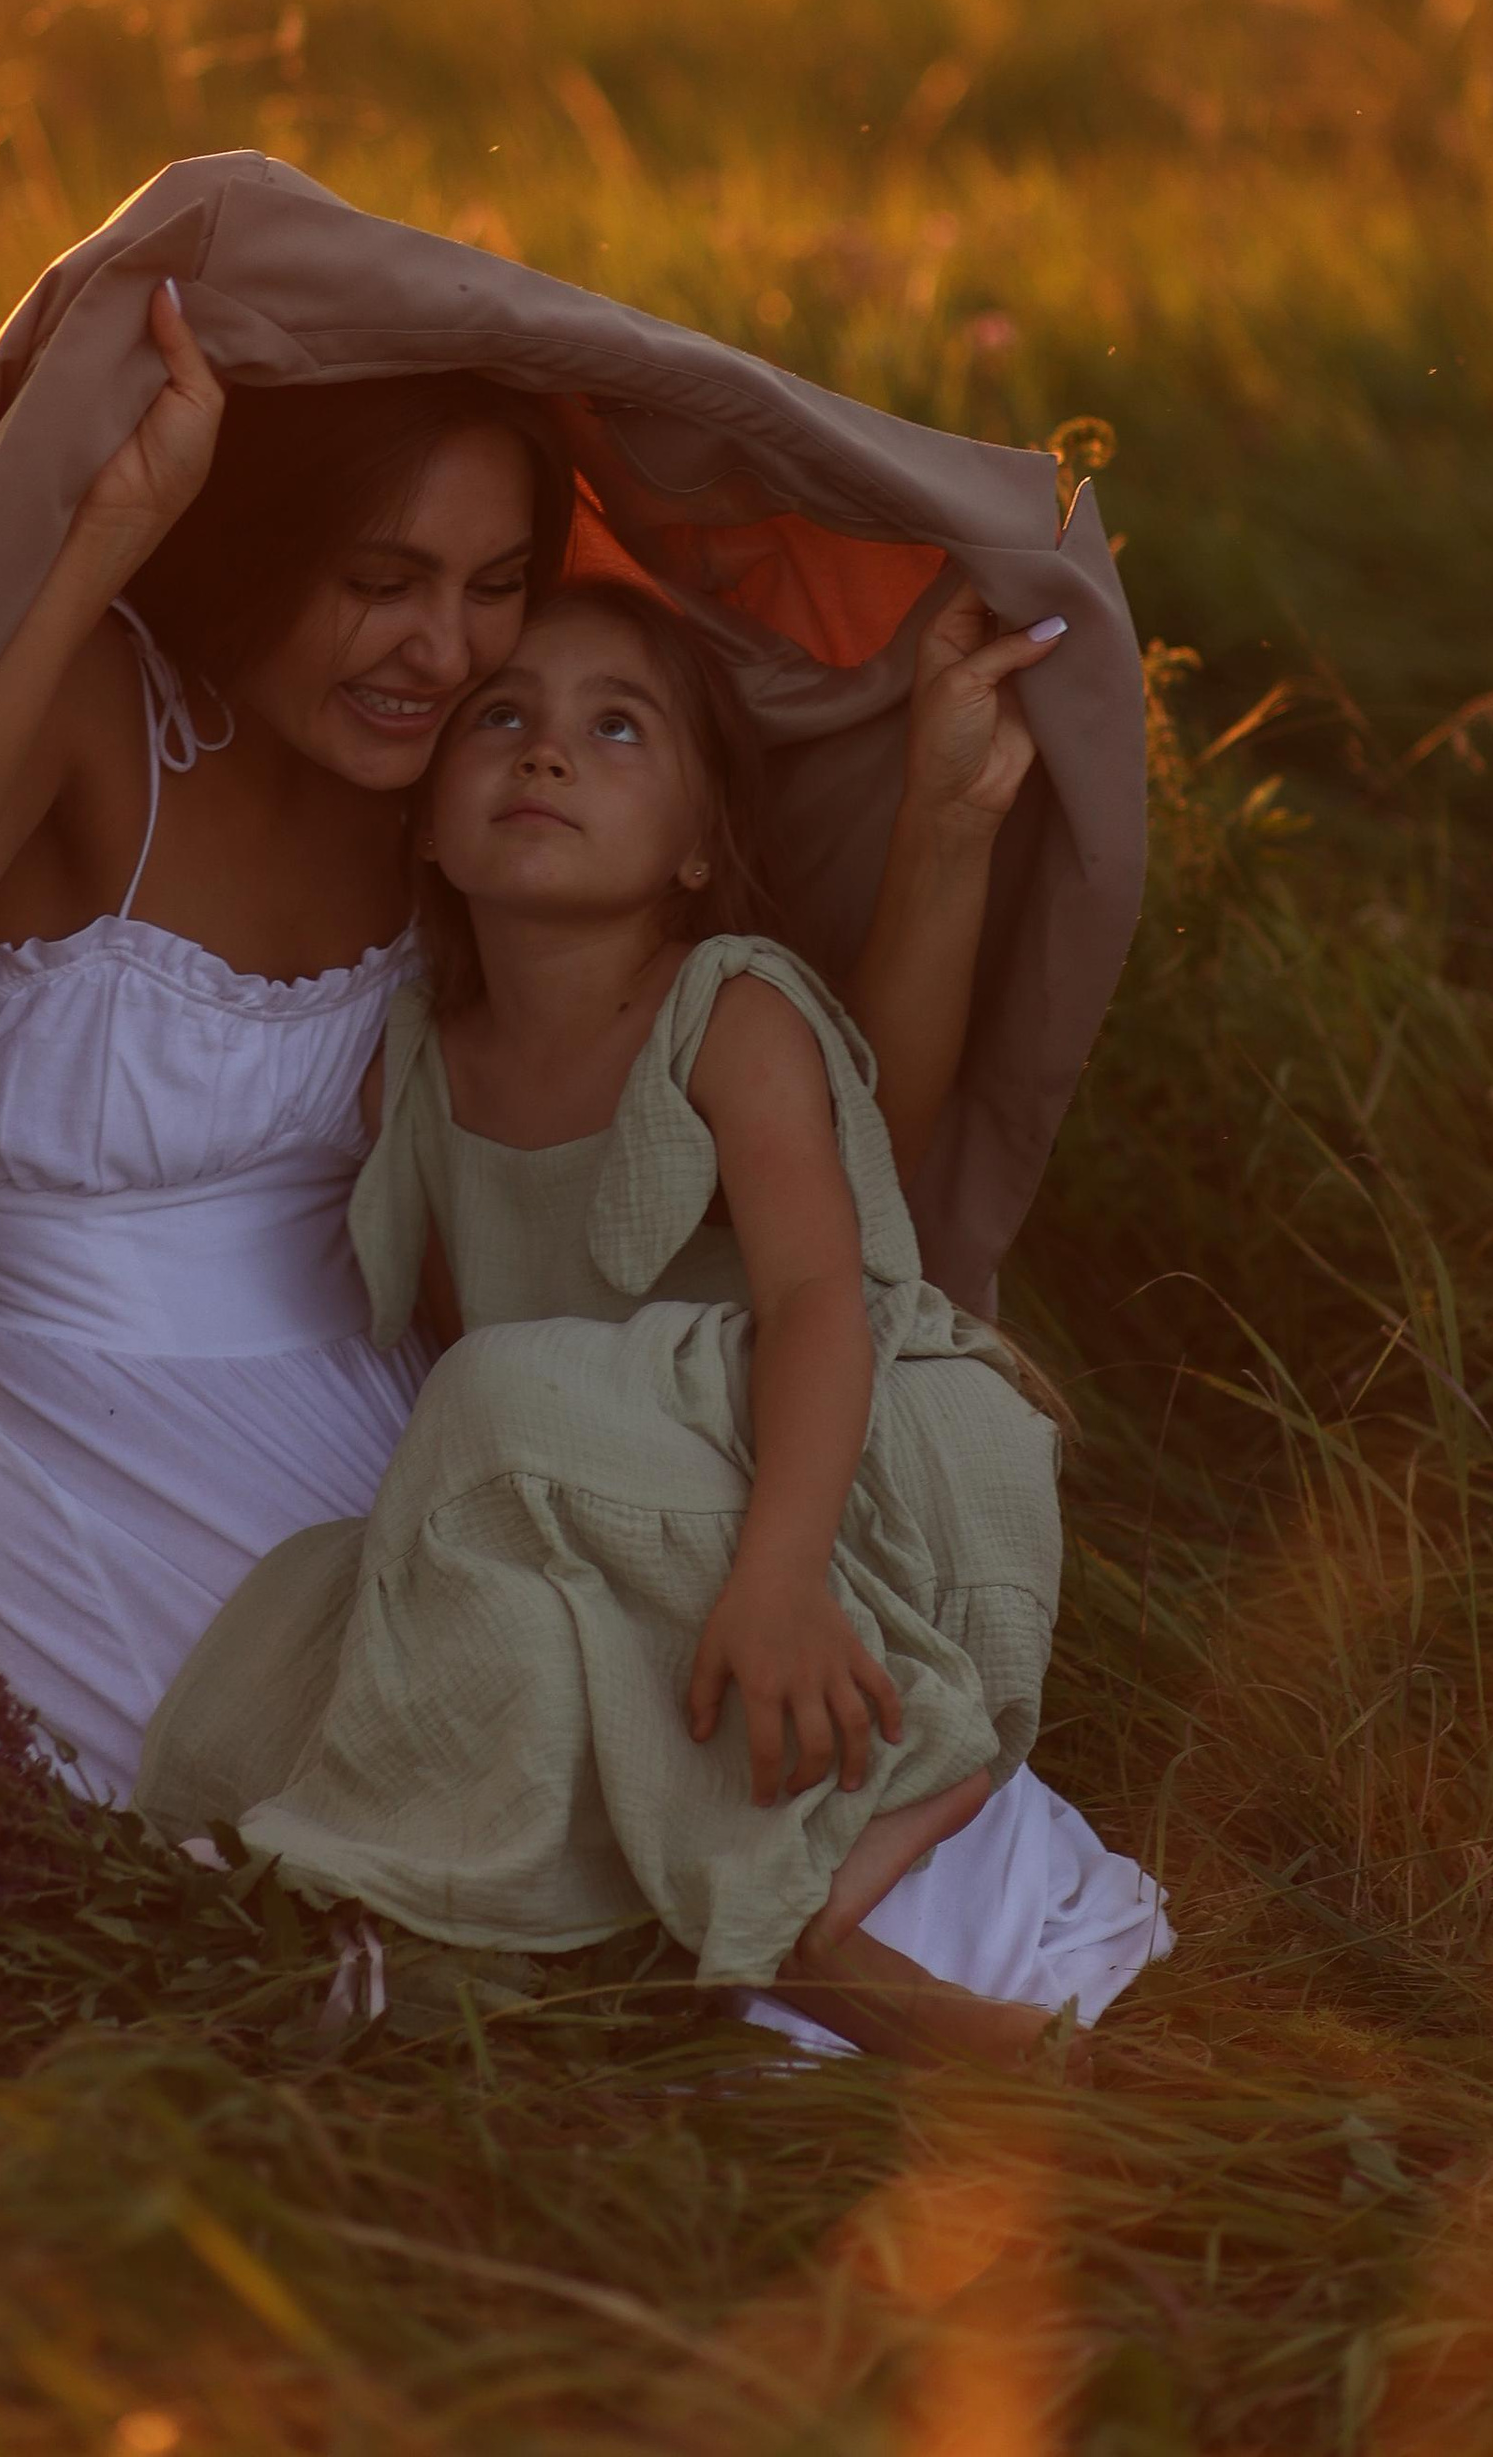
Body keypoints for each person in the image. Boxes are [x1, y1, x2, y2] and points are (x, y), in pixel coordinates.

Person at [0, 277, 1071, 1828]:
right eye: (381, 579)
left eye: (494, 584)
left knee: (628, 1781)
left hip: (423, 1427)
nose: (443, 649)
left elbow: (831, 1143)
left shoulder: (451, 798)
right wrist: (109, 529)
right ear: (261, 549)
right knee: (306, 1828)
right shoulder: (100, 711)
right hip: (80, 1425)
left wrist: (942, 830)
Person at [137, 577, 1103, 2063]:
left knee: (494, 1407)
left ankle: (854, 1839)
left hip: (841, 1467)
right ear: (428, 824)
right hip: (625, 1506)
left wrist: (781, 1576)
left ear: (700, 848)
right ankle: (528, 1947)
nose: (546, 752)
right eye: (500, 720)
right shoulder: (421, 1070)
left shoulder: (728, 1008)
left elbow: (818, 1300)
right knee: (315, 1626)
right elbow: (473, 1362)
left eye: (616, 727)